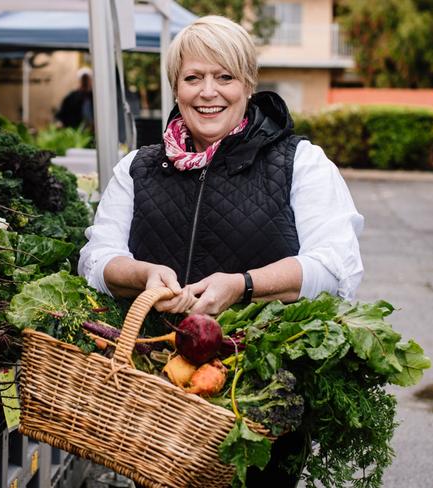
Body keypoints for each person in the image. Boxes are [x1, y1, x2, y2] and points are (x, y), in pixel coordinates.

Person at [78, 15, 364, 487]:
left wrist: (244, 285)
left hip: (257, 404)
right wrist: (143, 273)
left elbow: (337, 267)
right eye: (193, 78)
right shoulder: (138, 168)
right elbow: (95, 258)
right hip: (160, 404)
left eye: (224, 77)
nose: (208, 92)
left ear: (248, 85)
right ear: (176, 89)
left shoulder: (300, 163)